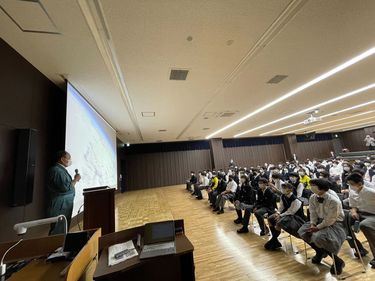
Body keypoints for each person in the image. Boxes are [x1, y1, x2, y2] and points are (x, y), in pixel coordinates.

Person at [298, 179, 346, 275]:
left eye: (313, 185)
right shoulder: (313, 197)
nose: (311, 187)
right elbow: (313, 212)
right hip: (319, 221)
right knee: (302, 232)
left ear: (322, 189)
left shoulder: (333, 201)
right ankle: (319, 251)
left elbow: (330, 219)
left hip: (335, 224)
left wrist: (318, 228)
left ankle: (337, 261)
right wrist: (312, 224)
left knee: (318, 237)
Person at [47, 151, 81, 235]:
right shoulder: (57, 171)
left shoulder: (61, 170)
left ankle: (61, 245)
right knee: (58, 230)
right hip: (60, 206)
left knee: (63, 229)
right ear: (62, 159)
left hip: (64, 206)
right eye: (68, 158)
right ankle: (54, 247)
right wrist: (75, 179)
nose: (70, 161)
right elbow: (66, 188)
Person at [264, 183, 305, 250]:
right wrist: (278, 213)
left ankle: (273, 240)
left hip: (295, 217)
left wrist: (280, 215)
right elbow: (281, 207)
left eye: (285, 188)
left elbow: (291, 212)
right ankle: (275, 241)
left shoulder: (296, 200)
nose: (283, 189)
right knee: (270, 218)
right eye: (282, 188)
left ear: (290, 189)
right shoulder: (283, 196)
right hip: (285, 214)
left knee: (279, 222)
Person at [347, 173, 375, 267]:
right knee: (344, 220)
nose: (350, 186)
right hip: (359, 213)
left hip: (372, 215)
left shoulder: (371, 192)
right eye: (349, 184)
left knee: (365, 225)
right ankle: (359, 248)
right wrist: (354, 212)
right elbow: (353, 205)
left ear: (359, 183)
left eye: (351, 184)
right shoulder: (352, 191)